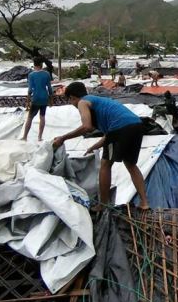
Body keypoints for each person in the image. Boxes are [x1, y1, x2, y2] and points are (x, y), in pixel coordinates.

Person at [53, 82, 150, 210]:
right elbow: (109, 133)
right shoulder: (98, 101)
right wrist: (95, 146)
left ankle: (103, 204)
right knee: (131, 164)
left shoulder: (82, 102)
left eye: (70, 100)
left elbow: (87, 126)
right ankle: (144, 203)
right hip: (136, 126)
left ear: (72, 97)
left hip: (120, 128)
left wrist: (63, 138)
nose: (72, 104)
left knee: (105, 164)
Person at [21, 57, 53, 141]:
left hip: (36, 97)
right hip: (44, 97)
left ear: (34, 64)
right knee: (42, 116)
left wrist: (28, 101)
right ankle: (39, 137)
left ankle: (25, 136)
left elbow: (30, 89)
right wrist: (51, 100)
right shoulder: (46, 74)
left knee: (30, 117)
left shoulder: (31, 75)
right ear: (42, 64)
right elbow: (49, 88)